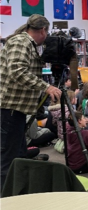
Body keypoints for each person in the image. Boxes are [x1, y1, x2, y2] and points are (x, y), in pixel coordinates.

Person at [0, 14, 61, 192]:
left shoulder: (27, 44)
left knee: (19, 155)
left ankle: (18, 193)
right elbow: (17, 70)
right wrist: (46, 87)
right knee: (7, 159)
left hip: (15, 111)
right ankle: (6, 202)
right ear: (43, 30)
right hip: (9, 110)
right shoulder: (22, 41)